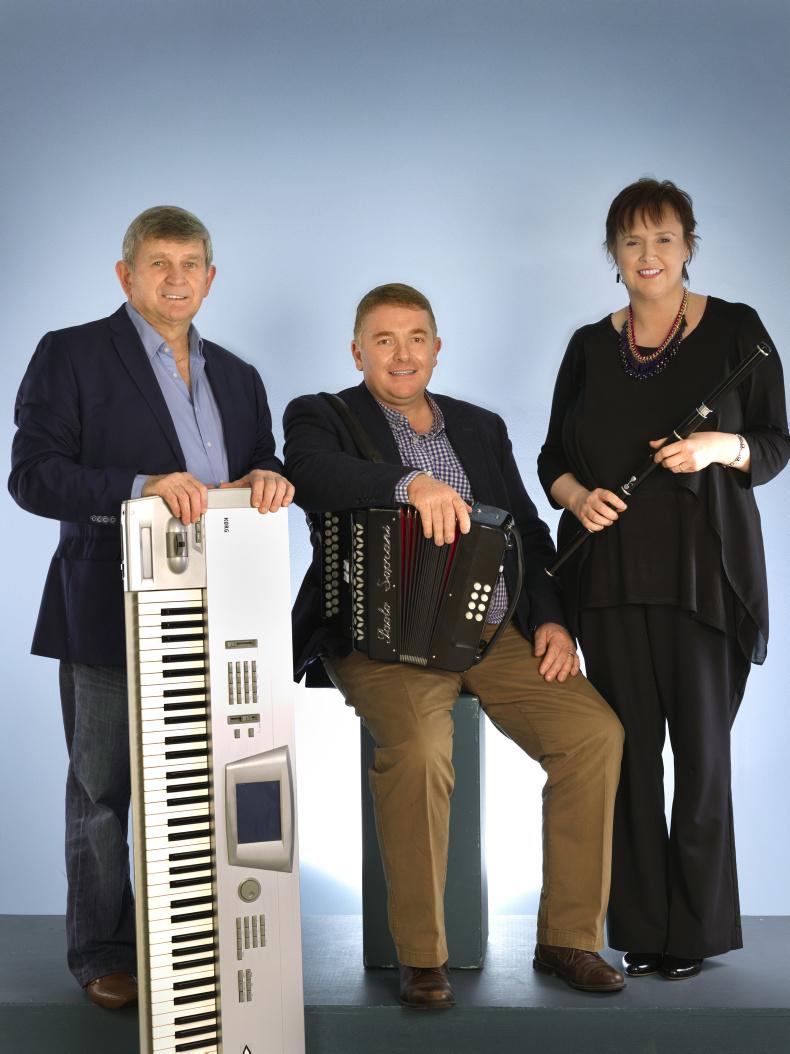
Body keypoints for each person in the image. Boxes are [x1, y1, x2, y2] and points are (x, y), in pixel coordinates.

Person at [284, 282, 625, 1008]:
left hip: (493, 631)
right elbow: (311, 475)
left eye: (416, 338)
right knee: (419, 750)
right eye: (383, 340)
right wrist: (410, 483)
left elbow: (526, 529)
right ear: (357, 351)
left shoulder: (479, 426)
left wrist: (551, 620)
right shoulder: (322, 415)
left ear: (437, 349)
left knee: (594, 733)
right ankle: (422, 956)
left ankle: (568, 937)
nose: (401, 354)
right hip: (382, 639)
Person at [9, 206, 293, 1009]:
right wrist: (142, 490)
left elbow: (259, 460)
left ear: (211, 277)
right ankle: (103, 952)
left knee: (210, 788)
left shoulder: (238, 375)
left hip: (224, 613)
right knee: (103, 791)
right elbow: (32, 475)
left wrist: (268, 476)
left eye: (190, 264)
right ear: (126, 274)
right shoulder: (70, 355)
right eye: (159, 263)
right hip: (108, 606)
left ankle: (195, 946)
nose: (176, 278)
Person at [538, 178, 790, 980]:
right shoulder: (589, 346)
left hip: (703, 578)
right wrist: (577, 497)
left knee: (703, 760)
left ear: (688, 245)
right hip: (610, 581)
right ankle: (644, 930)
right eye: (632, 241)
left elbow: (777, 443)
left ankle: (696, 934)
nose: (649, 255)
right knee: (631, 762)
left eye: (665, 238)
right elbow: (552, 459)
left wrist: (718, 448)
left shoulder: (738, 332)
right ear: (613, 253)